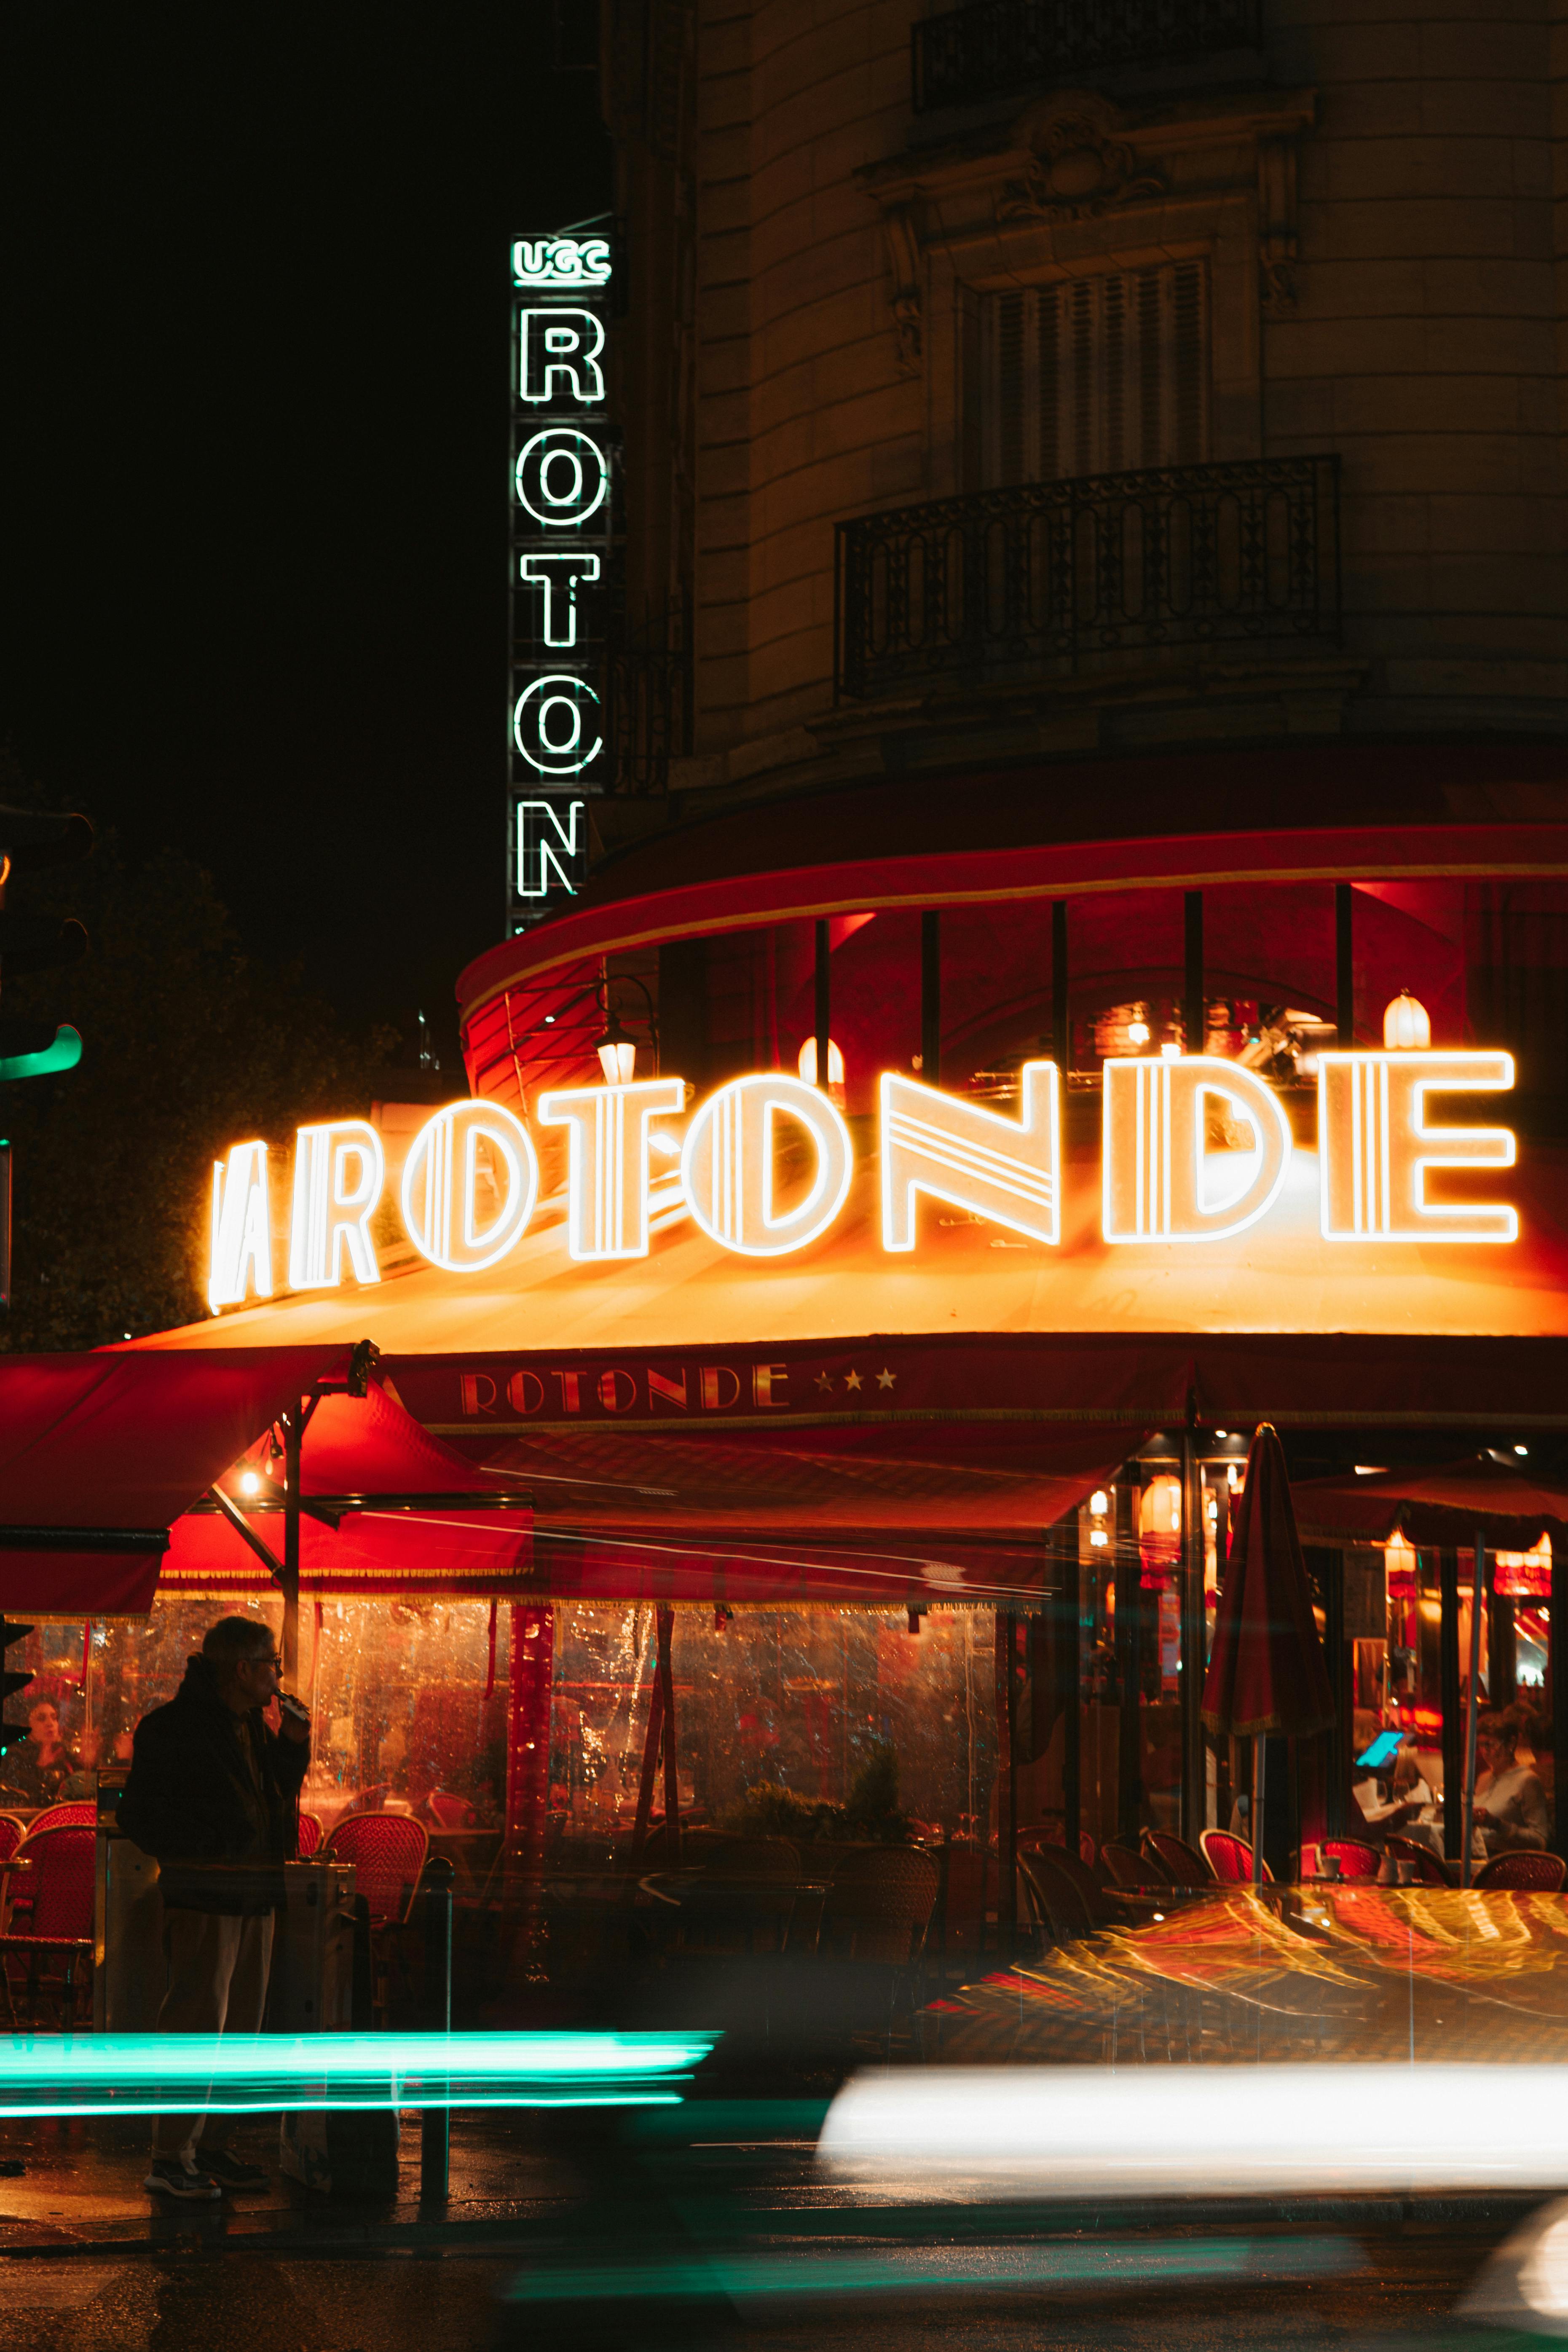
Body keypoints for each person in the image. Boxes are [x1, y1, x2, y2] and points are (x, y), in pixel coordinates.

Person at [118, 1617, 310, 2202]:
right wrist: (209, 1848)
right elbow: (140, 1817)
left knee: (242, 2030)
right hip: (206, 1896)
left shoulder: (249, 1723)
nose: (279, 1672)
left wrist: (293, 1742)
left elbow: (274, 1796)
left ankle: (210, 2144)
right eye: (271, 1662)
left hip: (253, 1894)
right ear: (243, 1669)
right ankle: (171, 2155)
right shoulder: (174, 1729)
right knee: (199, 2023)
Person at [1472, 1710, 1549, 1855]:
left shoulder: (1527, 1780)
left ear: (1511, 1744)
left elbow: (1540, 1839)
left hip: (1508, 1863)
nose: (1485, 1751)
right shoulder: (1484, 1779)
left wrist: (1497, 1824)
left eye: (1491, 1745)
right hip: (1479, 1858)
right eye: (1481, 1745)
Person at [11, 1700, 77, 1804]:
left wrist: (87, 1763)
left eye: (54, 1718)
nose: (50, 1724)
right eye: (41, 1719)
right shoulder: (16, 1757)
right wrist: (41, 1767)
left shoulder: (64, 1753)